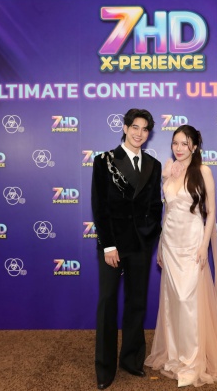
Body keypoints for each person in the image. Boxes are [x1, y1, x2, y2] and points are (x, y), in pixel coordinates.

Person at [145, 125, 217, 387]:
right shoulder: (169, 171)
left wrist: (203, 245)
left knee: (188, 301)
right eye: (175, 143)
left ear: (195, 147)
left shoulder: (203, 171)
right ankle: (176, 356)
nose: (179, 148)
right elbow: (167, 212)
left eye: (185, 143)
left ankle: (191, 360)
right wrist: (161, 245)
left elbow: (211, 212)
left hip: (192, 243)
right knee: (173, 302)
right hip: (170, 243)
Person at [91, 108, 163, 390]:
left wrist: (150, 237)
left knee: (137, 303)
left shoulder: (153, 165)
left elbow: (155, 206)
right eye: (135, 127)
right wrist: (108, 244)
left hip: (140, 245)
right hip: (112, 244)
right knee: (108, 303)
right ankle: (105, 368)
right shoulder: (104, 161)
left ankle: (131, 360)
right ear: (124, 127)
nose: (139, 133)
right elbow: (99, 206)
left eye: (145, 129)